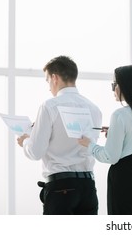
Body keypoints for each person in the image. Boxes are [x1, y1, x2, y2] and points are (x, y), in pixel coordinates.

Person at [17, 55, 102, 215]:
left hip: (61, 187)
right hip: (88, 187)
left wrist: (26, 141)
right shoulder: (94, 109)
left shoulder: (49, 106)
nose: (49, 87)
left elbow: (35, 152)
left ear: (54, 78)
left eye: (47, 80)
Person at [78, 64, 132, 215]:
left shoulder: (120, 115)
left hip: (126, 176)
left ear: (125, 86)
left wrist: (90, 145)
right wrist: (116, 133)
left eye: (114, 84)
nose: (113, 89)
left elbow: (110, 156)